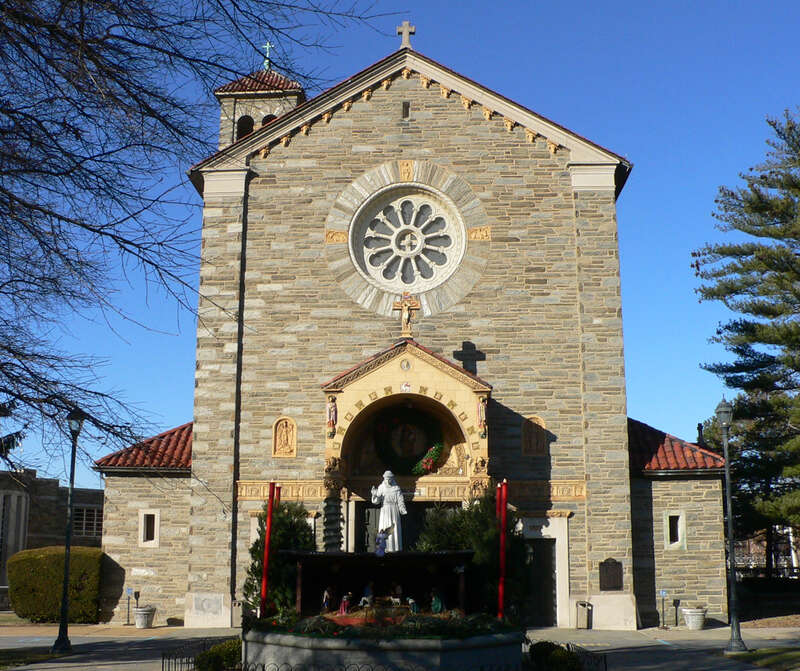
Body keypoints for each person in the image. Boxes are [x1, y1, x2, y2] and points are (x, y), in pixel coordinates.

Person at [370, 470, 407, 552]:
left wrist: (402, 509)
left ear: (392, 479)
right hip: (385, 510)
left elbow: (400, 501)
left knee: (394, 529)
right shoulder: (381, 487)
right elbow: (377, 500)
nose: (387, 480)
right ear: (384, 478)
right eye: (386, 479)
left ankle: (395, 548)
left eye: (389, 479)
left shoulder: (397, 488)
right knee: (384, 527)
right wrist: (374, 494)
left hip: (394, 510)